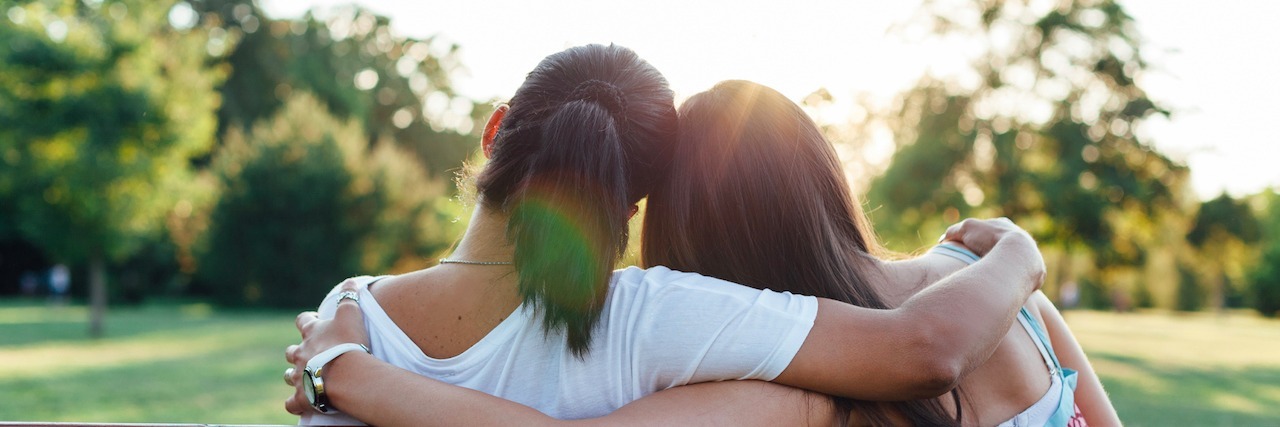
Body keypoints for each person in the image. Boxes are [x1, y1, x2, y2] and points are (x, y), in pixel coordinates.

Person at [283, 45, 1046, 425]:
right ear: (630, 201)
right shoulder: (660, 313)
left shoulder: (350, 315)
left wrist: (345, 370)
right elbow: (922, 350)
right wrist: (1020, 250)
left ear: (495, 132)